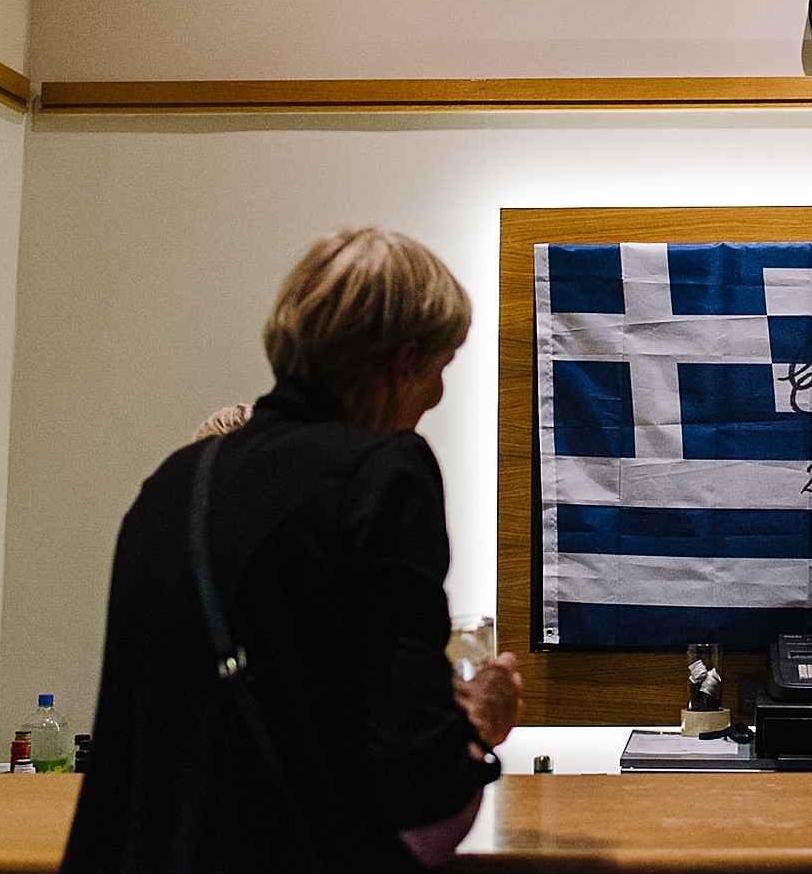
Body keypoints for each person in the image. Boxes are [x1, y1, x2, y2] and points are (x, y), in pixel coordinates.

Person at [63, 227, 522, 872]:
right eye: (441, 369)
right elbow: (422, 808)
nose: (439, 396)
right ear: (403, 362)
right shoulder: (385, 475)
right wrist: (475, 730)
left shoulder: (172, 485)